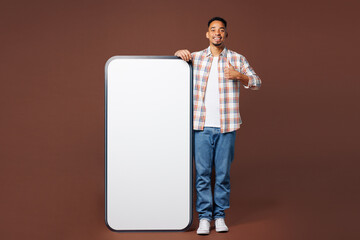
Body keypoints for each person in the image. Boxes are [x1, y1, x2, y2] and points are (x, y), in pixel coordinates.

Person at [175, 17, 261, 235]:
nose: (217, 33)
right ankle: (204, 217)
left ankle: (220, 216)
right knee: (202, 173)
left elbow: (257, 82)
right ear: (207, 34)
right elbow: (175, 68)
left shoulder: (237, 58)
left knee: (222, 174)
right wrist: (178, 54)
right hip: (201, 126)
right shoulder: (195, 58)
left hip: (227, 126)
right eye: (213, 30)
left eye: (221, 30)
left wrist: (239, 76)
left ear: (226, 35)